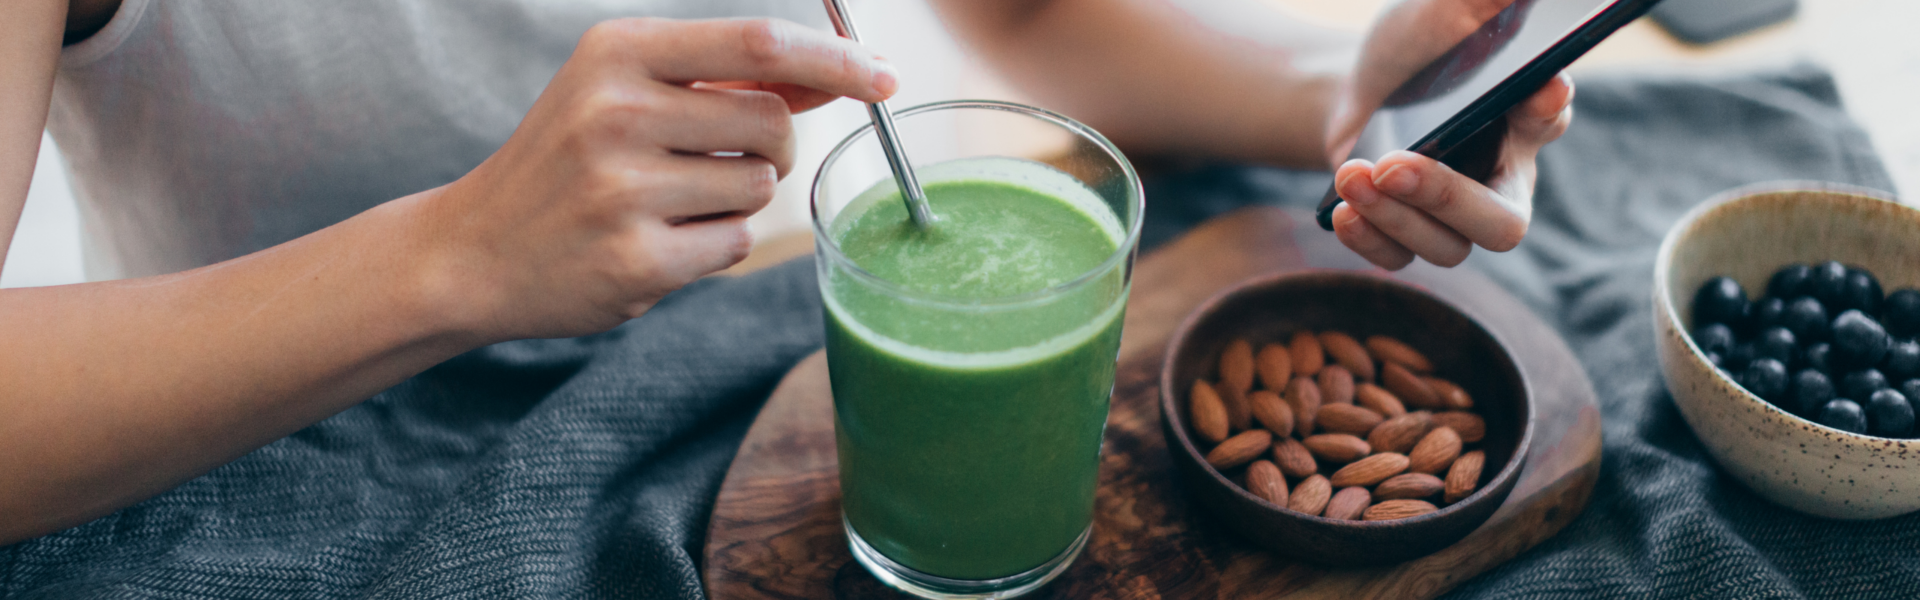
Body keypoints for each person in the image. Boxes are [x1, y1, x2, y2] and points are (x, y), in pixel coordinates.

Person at [0, 0, 1570, 547]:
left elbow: (1028, 23)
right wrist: (456, 254)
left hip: (746, 387)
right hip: (279, 455)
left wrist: (1347, 101)